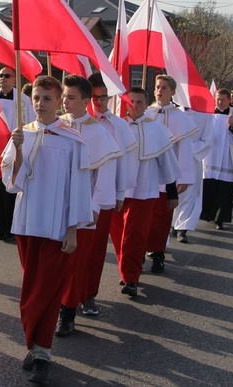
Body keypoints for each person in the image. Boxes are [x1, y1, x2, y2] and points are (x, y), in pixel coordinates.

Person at [2, 76, 93, 385]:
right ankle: (35, 345)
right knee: (31, 287)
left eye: (48, 99)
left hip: (57, 227)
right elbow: (13, 184)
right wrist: (16, 152)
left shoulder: (72, 140)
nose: (41, 104)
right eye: (37, 98)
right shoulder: (22, 134)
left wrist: (73, 229)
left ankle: (42, 352)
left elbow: (79, 188)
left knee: (46, 291)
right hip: (28, 223)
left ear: (60, 102)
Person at [55, 75, 121, 337]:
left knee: (74, 263)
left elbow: (104, 175)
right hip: (55, 207)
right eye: (64, 96)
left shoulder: (98, 133)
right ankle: (55, 308)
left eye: (71, 97)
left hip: (82, 209)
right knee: (55, 263)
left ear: (85, 101)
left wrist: (94, 207)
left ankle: (67, 315)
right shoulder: (56, 125)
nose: (65, 101)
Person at [110, 88, 179, 298]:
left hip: (144, 190)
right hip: (118, 189)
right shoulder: (115, 126)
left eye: (139, 102)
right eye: (131, 101)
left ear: (146, 105)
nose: (135, 105)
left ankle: (131, 277)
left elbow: (168, 164)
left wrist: (172, 192)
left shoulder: (156, 130)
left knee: (135, 234)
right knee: (119, 234)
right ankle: (126, 267)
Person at [85, 73, 137, 314]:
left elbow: (124, 161)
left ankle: (88, 295)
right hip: (77, 196)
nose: (99, 101)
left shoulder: (119, 125)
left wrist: (119, 194)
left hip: (104, 197)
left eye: (103, 96)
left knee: (95, 250)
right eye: (94, 97)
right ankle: (69, 297)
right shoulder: (76, 123)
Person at [144, 75, 198, 273]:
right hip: (145, 175)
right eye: (157, 87)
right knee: (143, 217)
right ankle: (139, 252)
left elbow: (184, 150)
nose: (159, 90)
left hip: (166, 176)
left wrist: (182, 177)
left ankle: (158, 254)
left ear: (173, 92)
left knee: (161, 218)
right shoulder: (145, 112)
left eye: (164, 87)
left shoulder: (179, 118)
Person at [0, 66, 34, 241]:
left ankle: (13, 226)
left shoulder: (23, 101)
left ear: (14, 80)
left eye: (6, 76)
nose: (2, 78)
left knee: (11, 187)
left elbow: (31, 124)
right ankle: (0, 227)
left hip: (14, 149)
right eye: (0, 75)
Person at [200, 89, 233, 230]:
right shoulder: (208, 113)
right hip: (209, 157)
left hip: (227, 158)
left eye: (223, 99)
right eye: (218, 99)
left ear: (230, 100)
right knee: (208, 187)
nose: (220, 102)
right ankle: (207, 214)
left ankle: (219, 219)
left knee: (224, 190)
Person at [171, 107, 213, 243]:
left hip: (192, 160)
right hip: (173, 159)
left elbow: (207, 140)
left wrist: (188, 149)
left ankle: (182, 228)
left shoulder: (205, 116)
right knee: (172, 192)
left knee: (189, 194)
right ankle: (172, 223)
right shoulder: (174, 112)